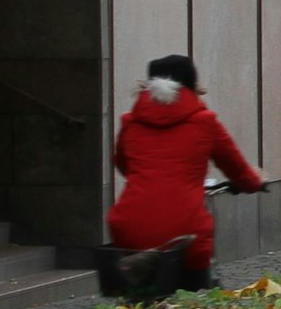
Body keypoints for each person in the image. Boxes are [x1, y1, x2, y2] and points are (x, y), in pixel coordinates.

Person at [108, 54, 267, 290]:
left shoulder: (130, 123)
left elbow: (124, 165)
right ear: (193, 84)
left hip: (130, 228)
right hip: (185, 234)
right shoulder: (205, 122)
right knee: (195, 298)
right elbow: (237, 169)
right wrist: (255, 182)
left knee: (137, 297)